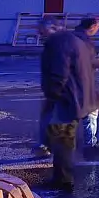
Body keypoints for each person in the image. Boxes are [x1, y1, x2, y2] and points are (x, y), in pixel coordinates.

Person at [40, 24, 99, 192]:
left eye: (42, 29)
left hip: (67, 99)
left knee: (62, 140)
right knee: (63, 138)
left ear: (52, 28)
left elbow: (59, 73)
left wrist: (53, 95)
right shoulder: (73, 41)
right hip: (76, 98)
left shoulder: (59, 43)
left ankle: (63, 180)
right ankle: (62, 178)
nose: (40, 33)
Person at [74, 17, 99, 157]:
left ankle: (56, 142)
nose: (98, 29)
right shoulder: (83, 40)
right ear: (93, 26)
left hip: (75, 81)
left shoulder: (75, 36)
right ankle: (90, 144)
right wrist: (96, 63)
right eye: (98, 26)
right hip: (82, 81)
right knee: (90, 111)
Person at [33, 15, 63, 158]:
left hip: (55, 88)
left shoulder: (55, 43)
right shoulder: (54, 43)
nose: (39, 33)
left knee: (51, 116)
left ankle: (46, 145)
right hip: (54, 88)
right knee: (52, 116)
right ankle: (47, 144)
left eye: (41, 29)